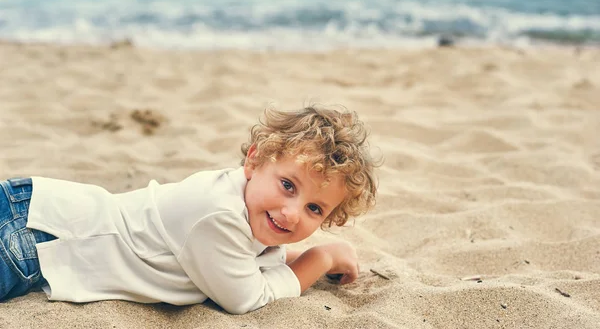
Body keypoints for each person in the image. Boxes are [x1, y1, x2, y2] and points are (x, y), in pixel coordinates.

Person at [0, 104, 378, 314]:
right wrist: (322, 258)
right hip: (31, 238)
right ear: (255, 160)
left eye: (314, 208)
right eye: (287, 185)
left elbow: (247, 261)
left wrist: (296, 255)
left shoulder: (248, 208)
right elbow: (248, 297)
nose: (293, 213)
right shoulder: (218, 216)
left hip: (32, 218)